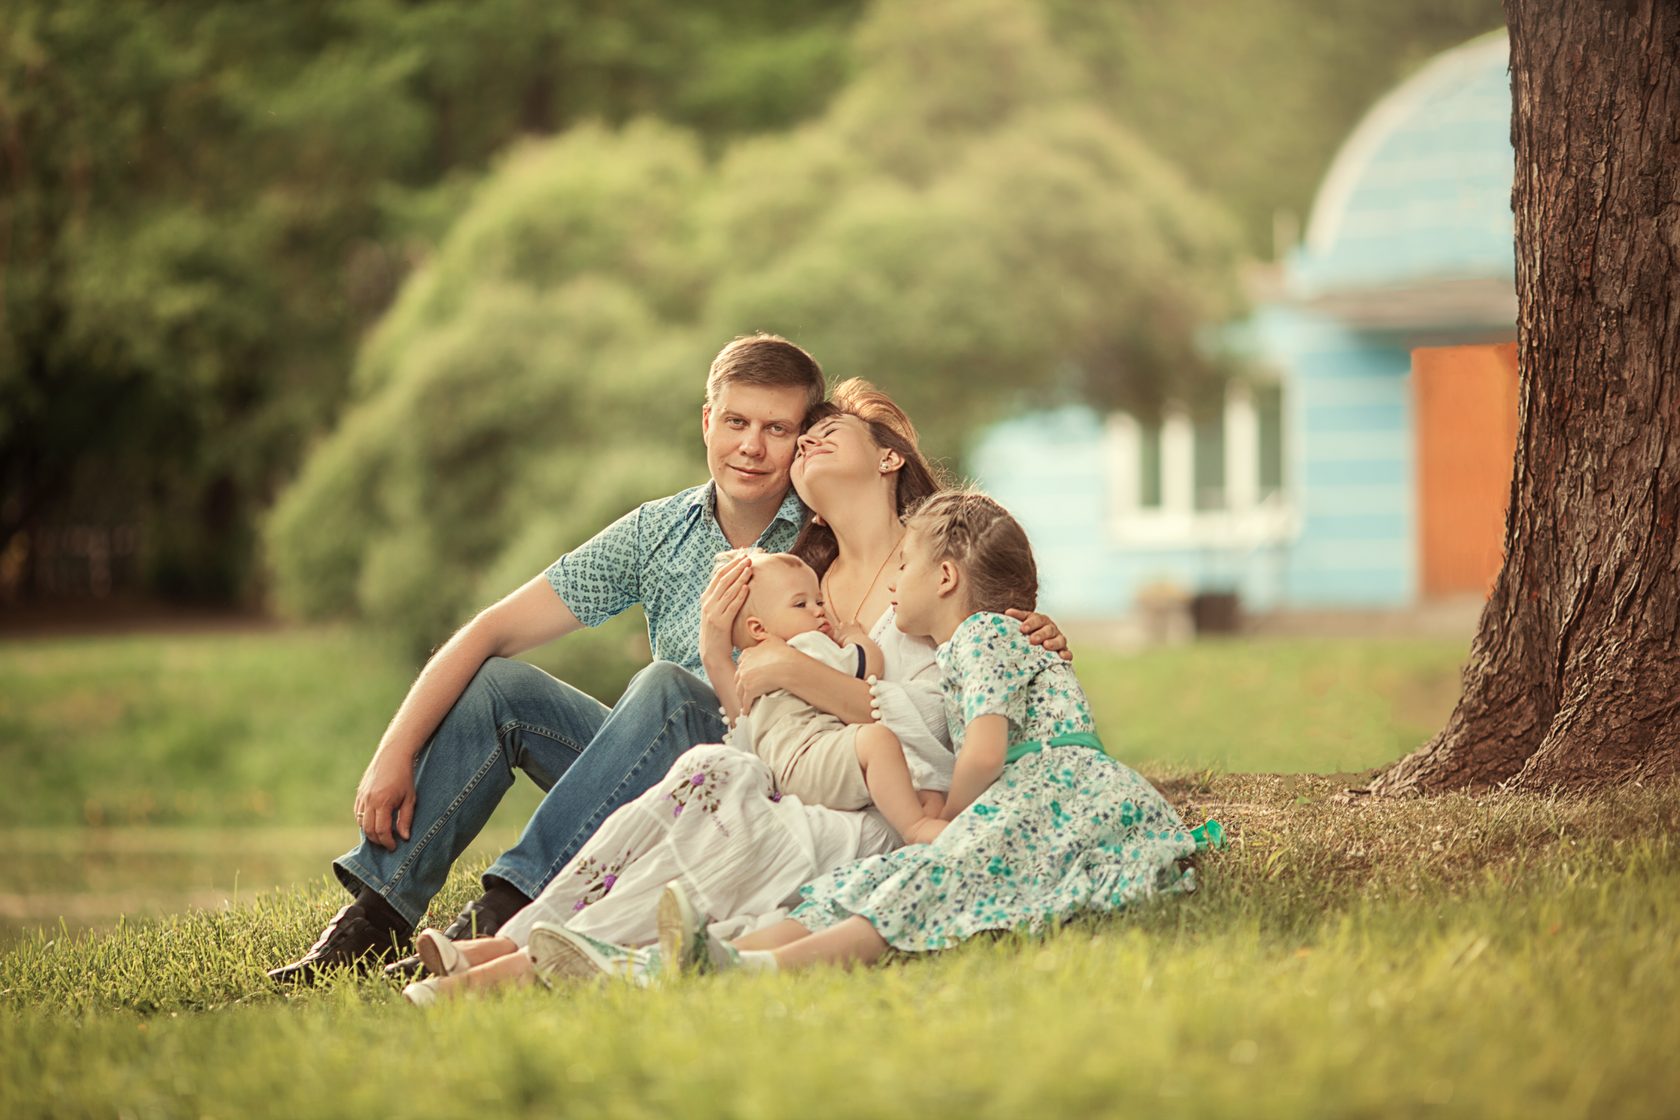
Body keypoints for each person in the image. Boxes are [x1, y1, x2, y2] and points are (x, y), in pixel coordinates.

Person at [268, 356, 1065, 983]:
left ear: (808, 443)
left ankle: (506, 914)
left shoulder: (827, 532)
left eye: (784, 430)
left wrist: (1025, 628)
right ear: (707, 421)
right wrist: (394, 751)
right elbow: (492, 629)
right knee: (503, 690)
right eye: (737, 423)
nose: (756, 447)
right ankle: (373, 920)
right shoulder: (667, 532)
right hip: (644, 768)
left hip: (746, 758)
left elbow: (954, 595)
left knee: (661, 686)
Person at [658, 490, 1224, 976]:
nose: (896, 580)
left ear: (946, 577)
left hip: (1055, 796)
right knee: (888, 880)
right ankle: (714, 955)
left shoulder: (982, 634)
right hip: (1045, 801)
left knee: (923, 880)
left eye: (905, 565)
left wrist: (951, 817)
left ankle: (757, 966)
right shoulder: (981, 643)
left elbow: (983, 752)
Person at [712, 547, 946, 844]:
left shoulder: (750, 671)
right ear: (759, 628)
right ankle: (915, 827)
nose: (818, 610)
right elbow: (869, 665)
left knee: (911, 779)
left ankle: (921, 806)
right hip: (808, 756)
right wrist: (855, 637)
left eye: (819, 601)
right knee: (878, 742)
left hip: (784, 774)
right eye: (800, 604)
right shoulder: (806, 645)